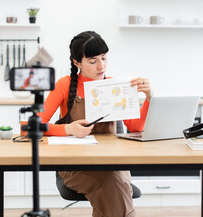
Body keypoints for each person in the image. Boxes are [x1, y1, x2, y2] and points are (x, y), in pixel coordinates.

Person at [38, 31, 152, 217]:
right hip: (75, 166)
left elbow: (135, 128)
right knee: (112, 184)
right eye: (92, 61)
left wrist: (148, 98)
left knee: (113, 181)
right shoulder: (65, 85)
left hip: (111, 162)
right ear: (77, 63)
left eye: (104, 58)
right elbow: (35, 125)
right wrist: (68, 128)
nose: (101, 66)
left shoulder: (114, 86)